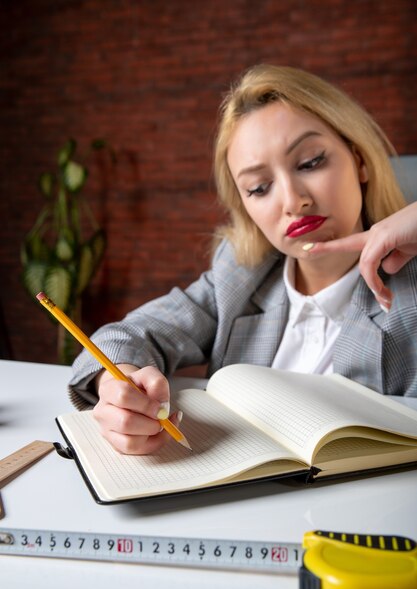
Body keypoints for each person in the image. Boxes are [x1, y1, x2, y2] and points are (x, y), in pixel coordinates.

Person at [70, 65, 417, 455]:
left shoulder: (410, 290)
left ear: (360, 161)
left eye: (310, 163)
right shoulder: (241, 276)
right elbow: (125, 336)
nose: (292, 200)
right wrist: (119, 386)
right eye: (259, 187)